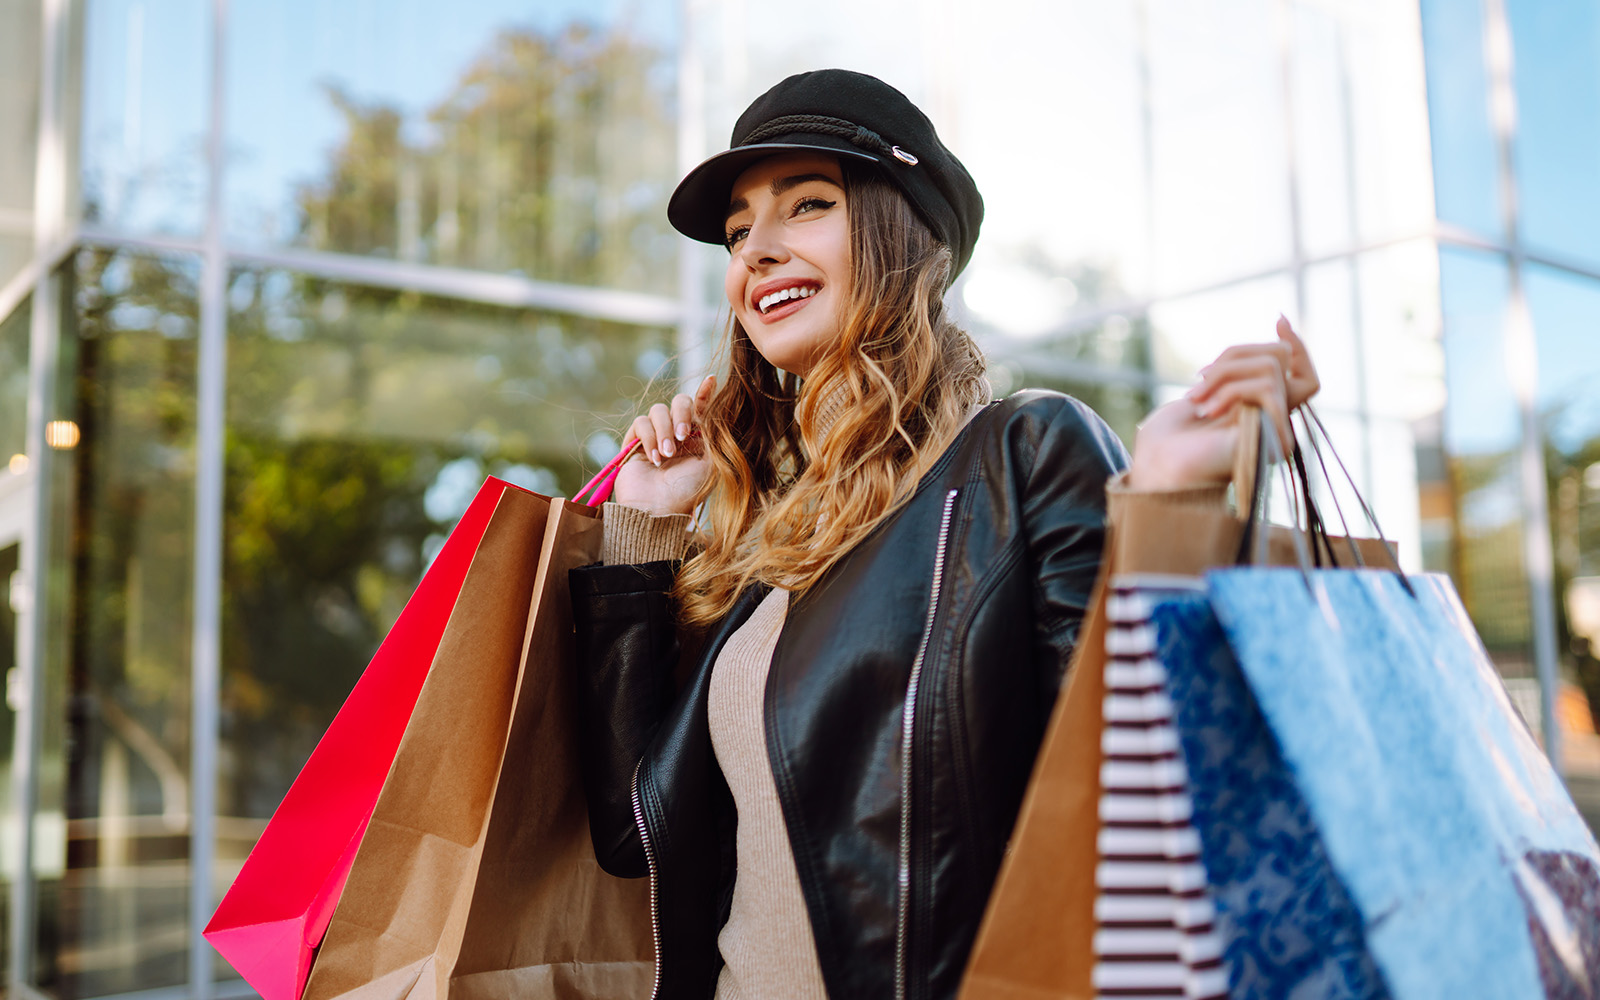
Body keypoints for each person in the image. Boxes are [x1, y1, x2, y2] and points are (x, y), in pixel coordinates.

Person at [569, 69, 1319, 1000]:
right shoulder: (770, 543)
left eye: (806, 205)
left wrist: (1165, 498)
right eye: (736, 231)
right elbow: (637, 834)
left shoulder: (1025, 454)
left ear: (899, 236)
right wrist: (643, 523)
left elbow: (1142, 778)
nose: (756, 249)